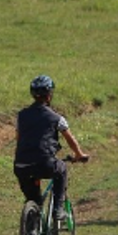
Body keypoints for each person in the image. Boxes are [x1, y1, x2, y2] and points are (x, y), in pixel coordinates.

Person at [14, 75, 90, 222]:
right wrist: (79, 154)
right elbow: (70, 140)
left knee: (34, 199)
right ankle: (58, 209)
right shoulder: (56, 117)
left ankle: (32, 230)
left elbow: (18, 138)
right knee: (61, 170)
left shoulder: (21, 116)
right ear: (49, 96)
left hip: (21, 165)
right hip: (44, 163)